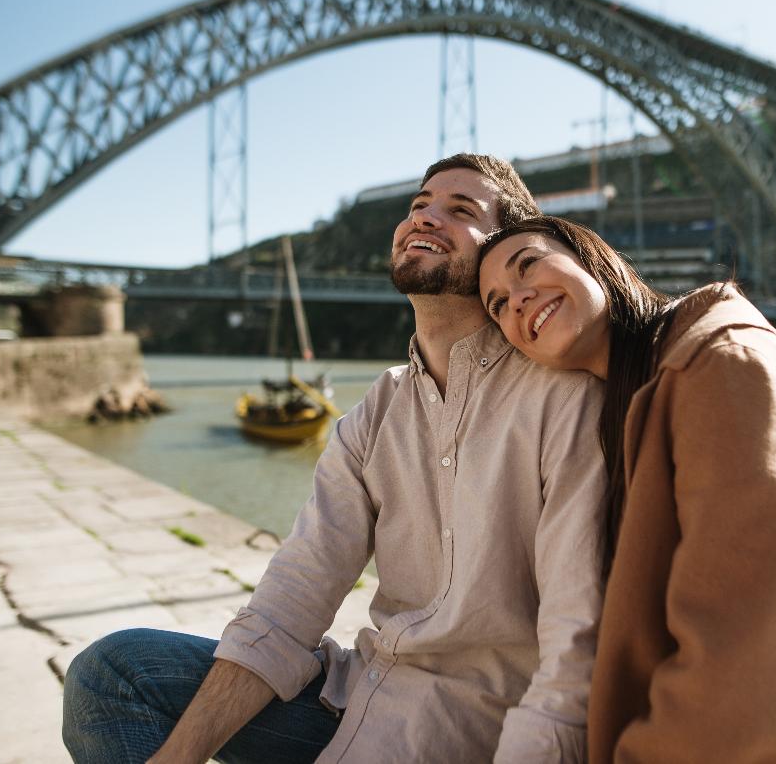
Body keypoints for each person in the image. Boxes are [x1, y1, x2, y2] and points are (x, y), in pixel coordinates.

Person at [62, 156, 607, 764]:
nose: (424, 216)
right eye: (419, 205)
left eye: (460, 210)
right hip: (360, 697)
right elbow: (294, 596)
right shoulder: (376, 412)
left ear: (502, 250)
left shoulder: (561, 397)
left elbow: (574, 639)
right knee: (110, 674)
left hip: (472, 732)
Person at [478, 216, 776, 763]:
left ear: (592, 258)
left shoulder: (723, 367)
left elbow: (735, 667)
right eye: (497, 305)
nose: (517, 300)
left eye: (527, 264)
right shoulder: (636, 397)